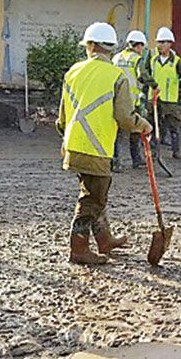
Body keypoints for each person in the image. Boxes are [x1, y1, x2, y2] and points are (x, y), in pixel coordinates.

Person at [56, 22, 152, 265]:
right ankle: (78, 249)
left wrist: (68, 141)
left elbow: (62, 118)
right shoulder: (116, 76)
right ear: (110, 48)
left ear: (89, 46)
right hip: (97, 149)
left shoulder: (73, 72)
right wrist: (143, 124)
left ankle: (105, 240)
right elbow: (124, 117)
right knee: (92, 199)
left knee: (96, 193)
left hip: (74, 146)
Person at [144, 27, 181, 160]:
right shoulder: (152, 59)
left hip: (170, 99)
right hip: (154, 98)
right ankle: (153, 151)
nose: (160, 45)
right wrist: (147, 87)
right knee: (152, 125)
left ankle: (176, 151)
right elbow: (144, 74)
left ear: (170, 43)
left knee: (173, 126)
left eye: (163, 42)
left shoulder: (176, 61)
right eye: (159, 42)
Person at [112, 30, 152, 170]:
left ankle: (115, 161)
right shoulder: (137, 59)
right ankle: (136, 159)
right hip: (131, 101)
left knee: (116, 133)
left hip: (115, 100)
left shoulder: (116, 57)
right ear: (139, 45)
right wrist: (154, 85)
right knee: (135, 128)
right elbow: (143, 76)